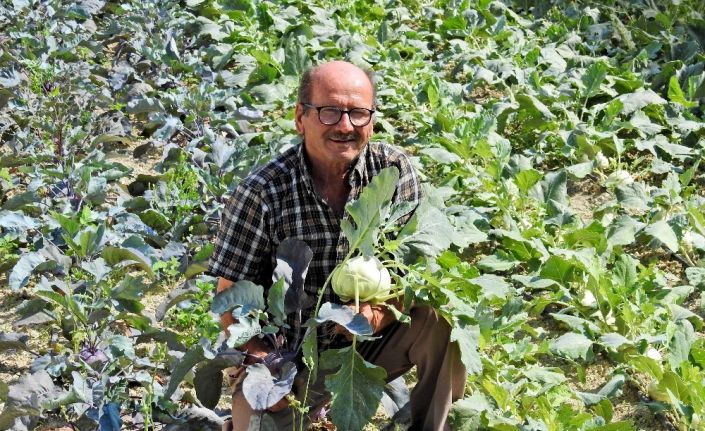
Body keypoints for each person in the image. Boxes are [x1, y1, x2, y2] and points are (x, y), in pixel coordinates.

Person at [208, 60, 466, 431]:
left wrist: (384, 312)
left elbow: (414, 272)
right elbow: (230, 301)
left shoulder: (392, 171)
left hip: (366, 345)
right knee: (261, 419)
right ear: (301, 118)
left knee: (438, 321)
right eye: (329, 112)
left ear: (372, 121)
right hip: (289, 358)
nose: (345, 126)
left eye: (358, 113)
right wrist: (263, 367)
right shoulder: (262, 192)